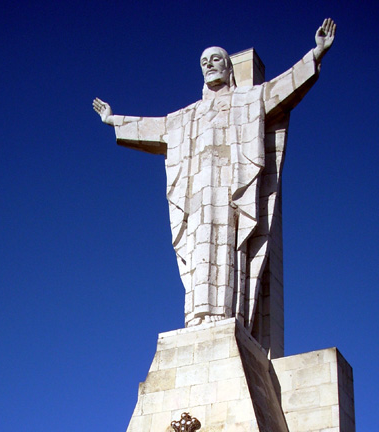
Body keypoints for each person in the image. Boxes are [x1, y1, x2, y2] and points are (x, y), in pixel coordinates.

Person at [93, 20, 336, 335]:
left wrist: (315, 54)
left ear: (229, 67)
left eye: (216, 60)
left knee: (229, 248)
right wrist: (114, 121)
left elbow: (283, 89)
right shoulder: (186, 116)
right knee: (198, 253)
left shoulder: (248, 100)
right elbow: (152, 127)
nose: (209, 66)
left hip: (230, 195)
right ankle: (197, 317)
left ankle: (225, 315)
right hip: (197, 202)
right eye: (204, 62)